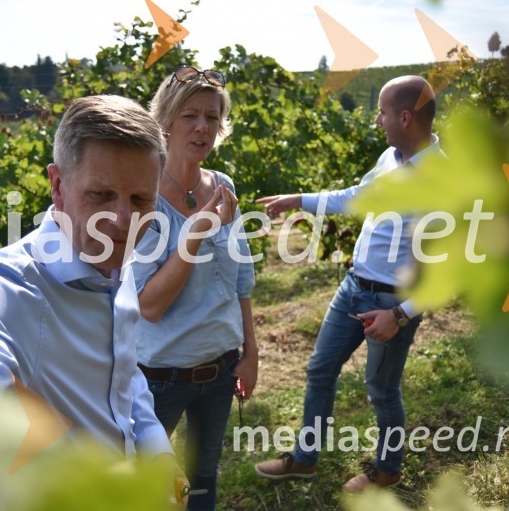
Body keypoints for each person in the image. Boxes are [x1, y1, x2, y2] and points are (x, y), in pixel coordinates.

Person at [0, 95, 184, 495]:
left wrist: (159, 455)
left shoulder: (114, 264)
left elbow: (122, 375)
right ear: (57, 185)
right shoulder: (6, 285)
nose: (122, 220)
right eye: (101, 194)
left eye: (141, 199)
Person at [254, 76, 444, 493]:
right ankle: (305, 460)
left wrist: (399, 316)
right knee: (320, 370)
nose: (377, 119)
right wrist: (299, 199)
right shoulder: (391, 158)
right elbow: (356, 196)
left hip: (392, 302)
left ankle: (388, 469)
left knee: (381, 389)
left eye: (383, 112)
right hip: (354, 288)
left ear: (406, 116)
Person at [132, 66, 258, 510]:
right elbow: (148, 305)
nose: (203, 127)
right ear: (165, 121)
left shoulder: (223, 186)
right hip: (160, 379)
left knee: (203, 481)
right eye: (189, 115)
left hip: (221, 371)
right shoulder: (144, 198)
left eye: (212, 116)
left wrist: (250, 352)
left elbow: (239, 276)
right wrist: (197, 232)